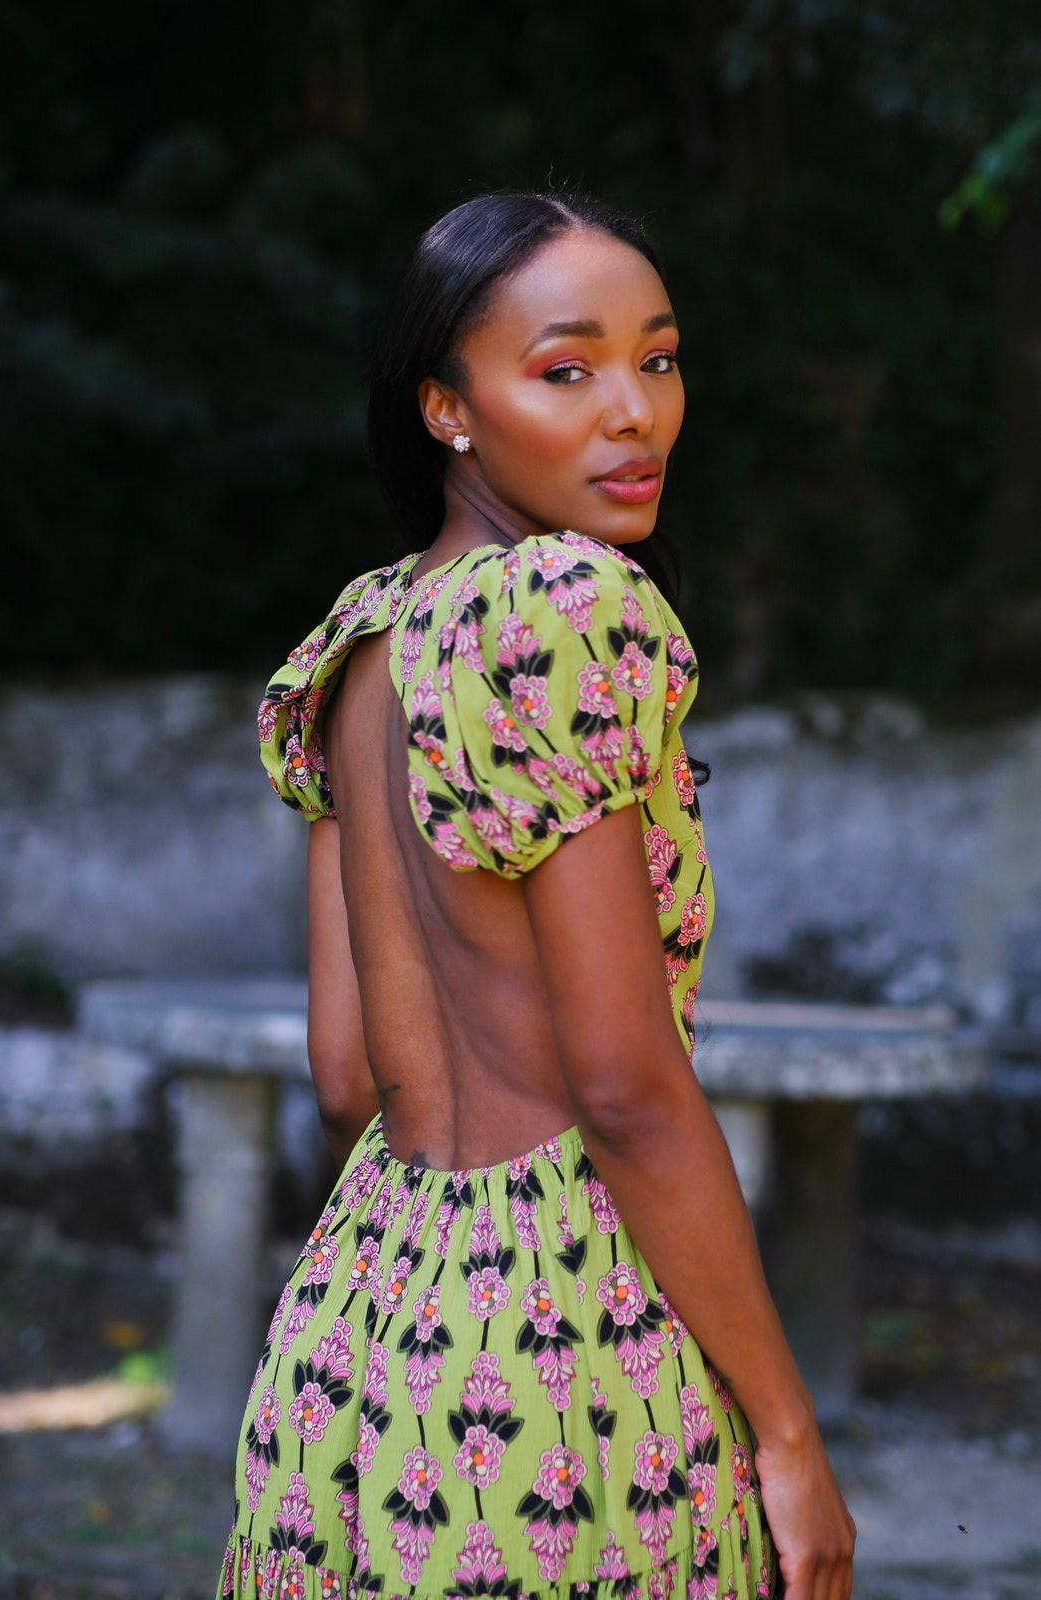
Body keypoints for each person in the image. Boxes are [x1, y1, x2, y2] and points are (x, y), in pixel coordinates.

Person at [216, 191, 855, 1600]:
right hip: (570, 1363)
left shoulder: (355, 644)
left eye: (660, 358)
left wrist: (424, 1305)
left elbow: (344, 1076)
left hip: (355, 1344)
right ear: (449, 409)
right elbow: (624, 1087)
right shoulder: (561, 609)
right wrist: (792, 1434)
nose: (633, 410)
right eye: (566, 370)